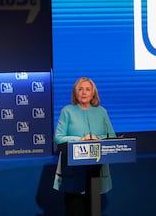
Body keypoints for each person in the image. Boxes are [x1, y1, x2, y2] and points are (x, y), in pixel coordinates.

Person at [53, 77, 116, 216]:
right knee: (75, 209)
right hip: (74, 170)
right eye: (80, 89)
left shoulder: (101, 111)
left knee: (93, 210)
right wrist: (81, 139)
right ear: (75, 93)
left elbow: (111, 136)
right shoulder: (67, 111)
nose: (84, 92)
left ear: (93, 93)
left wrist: (96, 138)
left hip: (96, 169)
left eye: (88, 89)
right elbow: (58, 137)